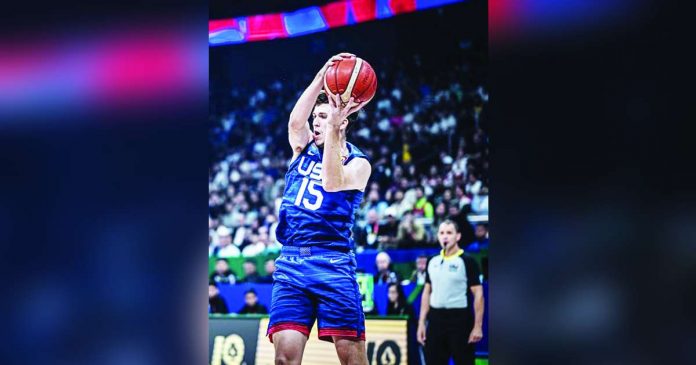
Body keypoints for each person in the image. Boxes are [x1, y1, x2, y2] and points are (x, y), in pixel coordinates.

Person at [267, 52, 373, 365]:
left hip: (334, 262)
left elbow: (330, 182)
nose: (316, 121)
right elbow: (294, 122)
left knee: (352, 359)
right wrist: (323, 76)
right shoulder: (300, 149)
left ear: (344, 122)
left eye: (323, 116)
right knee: (284, 359)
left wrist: (333, 131)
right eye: (316, 116)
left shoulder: (358, 163)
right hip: (291, 261)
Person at [417, 220, 485, 365]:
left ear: (458, 236)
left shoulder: (467, 261)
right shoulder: (432, 261)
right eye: (442, 233)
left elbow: (478, 295)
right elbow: (426, 293)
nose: (445, 237)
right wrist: (422, 323)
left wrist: (477, 326)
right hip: (435, 320)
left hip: (460, 320)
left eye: (449, 233)